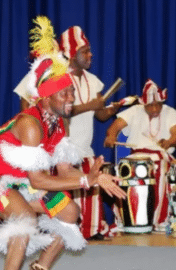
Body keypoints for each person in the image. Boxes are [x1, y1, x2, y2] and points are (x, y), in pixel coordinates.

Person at [0, 18, 126, 270]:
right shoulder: (31, 125)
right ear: (45, 97)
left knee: (70, 212)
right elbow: (38, 181)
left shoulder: (59, 122)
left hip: (19, 179)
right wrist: (87, 181)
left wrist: (94, 177)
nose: (71, 99)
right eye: (64, 94)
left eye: (72, 93)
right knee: (25, 220)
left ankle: (40, 267)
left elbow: (65, 171)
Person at [59, 26, 122, 240]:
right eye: (84, 51)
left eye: (89, 50)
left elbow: (101, 115)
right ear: (71, 53)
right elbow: (61, 112)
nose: (90, 54)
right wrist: (91, 105)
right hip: (62, 152)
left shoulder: (92, 80)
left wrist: (111, 109)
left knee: (88, 202)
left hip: (85, 150)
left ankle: (89, 229)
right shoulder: (59, 79)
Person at [104, 79, 176, 231]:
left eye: (158, 105)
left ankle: (159, 220)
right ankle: (126, 219)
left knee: (161, 170)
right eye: (151, 105)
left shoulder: (170, 112)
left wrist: (169, 142)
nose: (155, 108)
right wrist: (111, 136)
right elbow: (114, 127)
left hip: (161, 155)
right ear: (143, 104)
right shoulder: (134, 111)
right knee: (121, 173)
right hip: (136, 156)